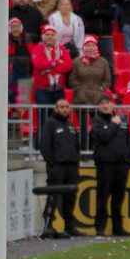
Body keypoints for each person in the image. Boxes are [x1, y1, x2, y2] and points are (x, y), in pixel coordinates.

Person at [91, 95, 130, 237]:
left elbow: (129, 142)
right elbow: (104, 137)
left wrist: (129, 160)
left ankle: (117, 228)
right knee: (102, 198)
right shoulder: (97, 122)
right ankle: (100, 229)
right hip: (105, 165)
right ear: (99, 107)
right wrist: (114, 125)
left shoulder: (122, 121)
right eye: (102, 103)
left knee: (118, 198)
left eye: (107, 103)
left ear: (112, 105)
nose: (105, 106)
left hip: (122, 166)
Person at [39, 99, 82, 238]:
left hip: (71, 167)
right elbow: (45, 145)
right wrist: (52, 163)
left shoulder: (70, 125)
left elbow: (76, 145)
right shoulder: (50, 124)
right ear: (56, 109)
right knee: (53, 196)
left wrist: (76, 160)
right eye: (62, 107)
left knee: (70, 197)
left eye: (67, 107)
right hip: (57, 167)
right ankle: (48, 225)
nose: (65, 109)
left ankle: (69, 226)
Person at [31, 25, 73, 137]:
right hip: (43, 90)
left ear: (56, 36)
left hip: (59, 90)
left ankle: (58, 145)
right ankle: (40, 147)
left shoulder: (62, 48)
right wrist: (55, 62)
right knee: (44, 119)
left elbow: (68, 65)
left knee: (60, 118)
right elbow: (38, 64)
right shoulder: (38, 48)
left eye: (52, 35)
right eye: (47, 34)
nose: (50, 37)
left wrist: (50, 70)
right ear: (43, 36)